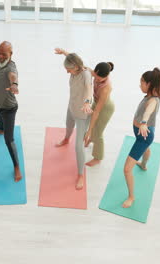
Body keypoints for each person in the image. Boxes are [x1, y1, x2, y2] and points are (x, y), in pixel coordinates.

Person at [122, 68, 160, 208]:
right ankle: (144, 165)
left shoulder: (153, 100)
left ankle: (131, 197)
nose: (140, 85)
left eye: (142, 82)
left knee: (127, 169)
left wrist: (144, 123)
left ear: (149, 84)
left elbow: (148, 111)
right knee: (146, 148)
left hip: (144, 135)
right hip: (143, 133)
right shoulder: (151, 94)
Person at [54, 48, 93, 190]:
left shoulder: (86, 74)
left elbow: (89, 89)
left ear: (76, 67)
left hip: (82, 112)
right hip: (72, 106)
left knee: (78, 146)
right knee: (68, 126)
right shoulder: (75, 65)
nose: (67, 72)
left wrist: (88, 102)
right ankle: (65, 139)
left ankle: (80, 174)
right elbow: (73, 58)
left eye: (68, 69)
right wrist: (64, 52)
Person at [0, 41, 22, 182]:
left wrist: (14, 85)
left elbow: (13, 76)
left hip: (9, 108)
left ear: (11, 55)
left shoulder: (10, 68)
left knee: (9, 140)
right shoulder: (2, 59)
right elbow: (1, 54)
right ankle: (0, 128)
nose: (1, 56)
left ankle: (16, 167)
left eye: (4, 54)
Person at [84, 62, 115, 167]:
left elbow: (97, 112)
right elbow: (82, 65)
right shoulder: (96, 73)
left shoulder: (106, 88)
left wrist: (89, 131)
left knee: (97, 132)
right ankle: (91, 139)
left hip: (105, 108)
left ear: (106, 76)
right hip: (96, 103)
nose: (96, 79)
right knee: (89, 120)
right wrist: (65, 53)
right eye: (95, 76)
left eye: (99, 79)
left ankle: (98, 158)